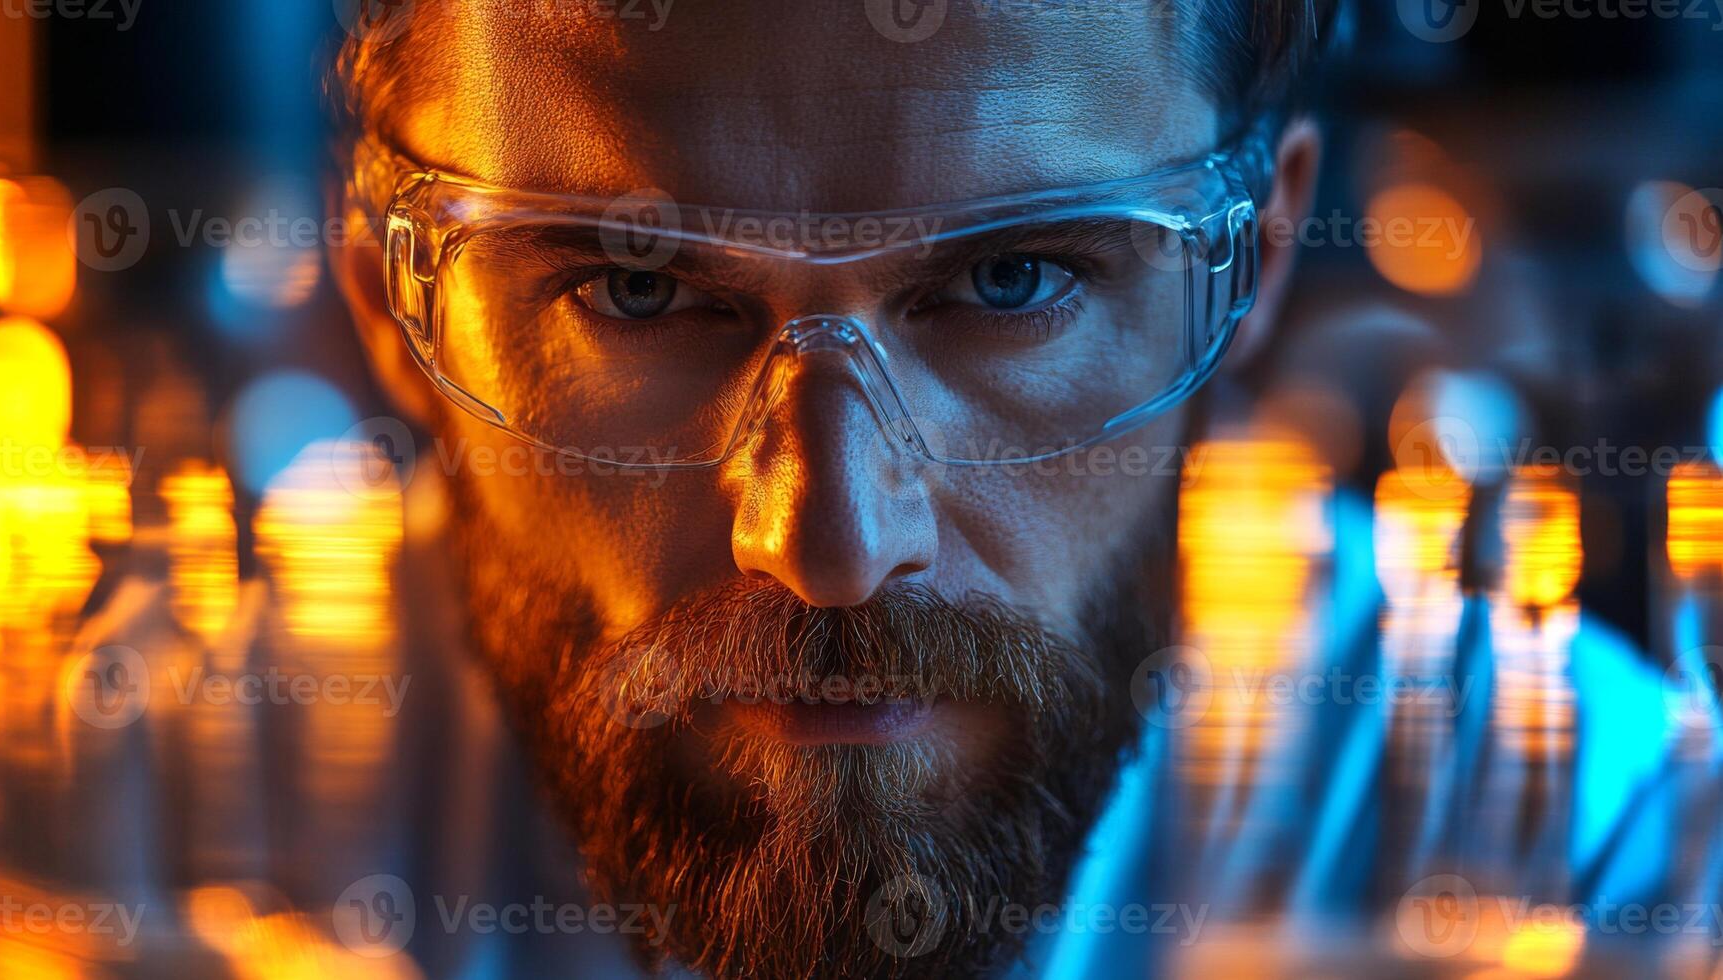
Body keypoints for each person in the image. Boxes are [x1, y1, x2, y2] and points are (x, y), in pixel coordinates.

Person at [328, 2, 1335, 975]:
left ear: (1262, 256)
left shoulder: (1464, 822)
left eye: (1013, 278)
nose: (832, 548)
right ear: (388, 300)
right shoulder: (205, 845)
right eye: (638, 290)